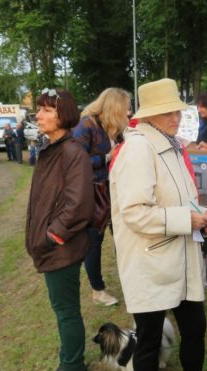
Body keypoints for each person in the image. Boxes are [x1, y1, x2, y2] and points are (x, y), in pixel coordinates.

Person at [110, 78, 207, 371]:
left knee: (195, 330)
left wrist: (201, 215)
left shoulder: (171, 144)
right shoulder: (138, 149)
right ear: (149, 115)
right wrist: (186, 219)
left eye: (177, 109)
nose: (176, 116)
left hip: (181, 256)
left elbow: (182, 197)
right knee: (149, 340)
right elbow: (135, 213)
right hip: (151, 262)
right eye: (168, 112)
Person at [25, 88, 94, 371]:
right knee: (62, 308)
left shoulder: (72, 153)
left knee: (66, 310)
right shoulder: (52, 148)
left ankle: (73, 368)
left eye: (46, 110)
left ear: (62, 115)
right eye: (39, 109)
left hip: (61, 248)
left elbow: (78, 206)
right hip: (52, 246)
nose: (38, 115)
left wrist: (51, 237)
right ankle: (71, 362)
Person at [73, 87, 131, 306]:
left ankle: (131, 281)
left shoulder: (114, 127)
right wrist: (107, 157)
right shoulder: (86, 126)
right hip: (94, 194)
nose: (127, 113)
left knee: (124, 238)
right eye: (125, 108)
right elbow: (75, 164)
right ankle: (98, 290)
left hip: (115, 191)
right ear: (113, 108)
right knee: (94, 242)